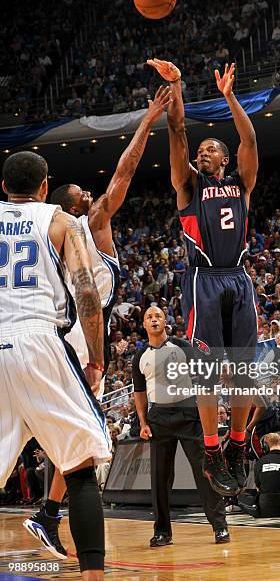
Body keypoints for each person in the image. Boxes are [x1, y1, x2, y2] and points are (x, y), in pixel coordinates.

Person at [23, 85, 172, 558]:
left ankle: (48, 514)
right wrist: (148, 122)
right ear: (67, 207)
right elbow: (124, 173)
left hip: (55, 335)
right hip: (70, 337)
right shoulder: (85, 225)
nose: (93, 195)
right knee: (82, 435)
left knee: (64, 433)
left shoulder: (60, 230)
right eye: (83, 194)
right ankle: (55, 519)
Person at [148, 59, 258, 497]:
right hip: (203, 280)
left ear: (225, 158)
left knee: (245, 372)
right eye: (201, 151)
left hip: (238, 277)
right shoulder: (189, 186)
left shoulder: (242, 183)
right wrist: (177, 86)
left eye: (210, 149)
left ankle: (235, 445)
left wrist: (230, 96)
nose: (202, 153)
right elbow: (177, 133)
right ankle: (211, 449)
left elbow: (249, 137)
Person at [0, 151, 111, 580]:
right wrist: (97, 358)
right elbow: (87, 296)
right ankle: (92, 574)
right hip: (37, 339)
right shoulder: (60, 221)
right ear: (46, 186)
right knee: (81, 463)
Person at [132, 307, 229, 547]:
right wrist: (143, 423)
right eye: (149, 317)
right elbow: (139, 394)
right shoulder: (139, 356)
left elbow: (205, 368)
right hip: (158, 419)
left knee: (204, 470)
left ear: (165, 321)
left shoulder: (181, 345)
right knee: (160, 478)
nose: (154, 320)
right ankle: (162, 532)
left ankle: (220, 527)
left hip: (188, 413)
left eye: (158, 316)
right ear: (144, 325)